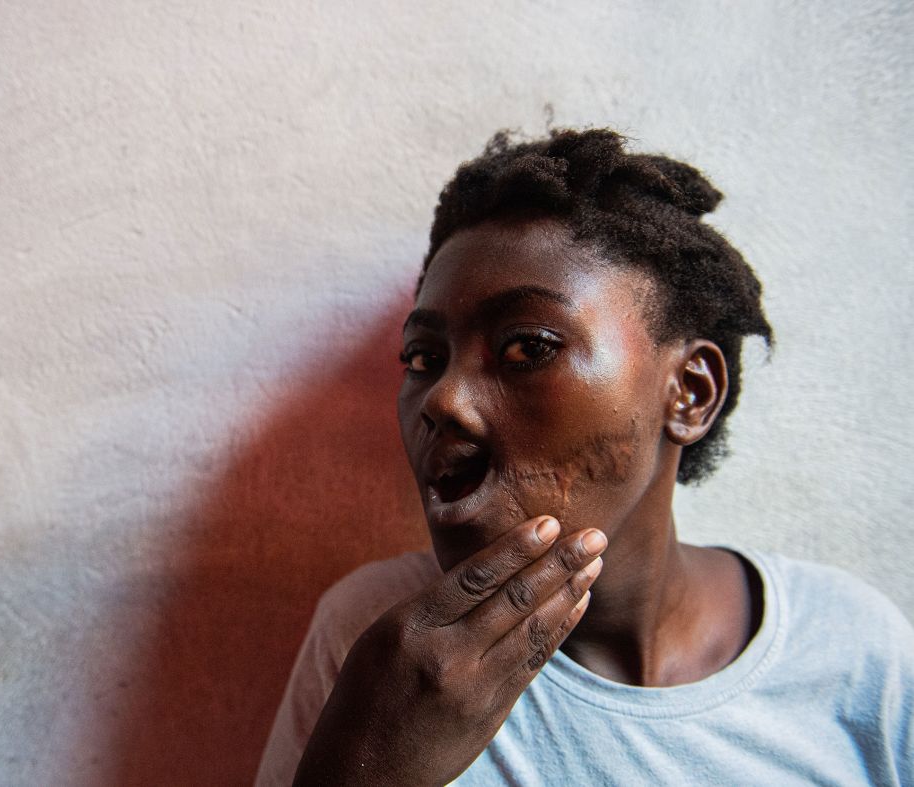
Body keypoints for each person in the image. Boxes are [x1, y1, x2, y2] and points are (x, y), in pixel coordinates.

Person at [255, 128, 914, 785]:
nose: (443, 400)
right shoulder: (375, 643)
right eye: (424, 359)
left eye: (527, 347)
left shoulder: (851, 652)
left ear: (689, 393)